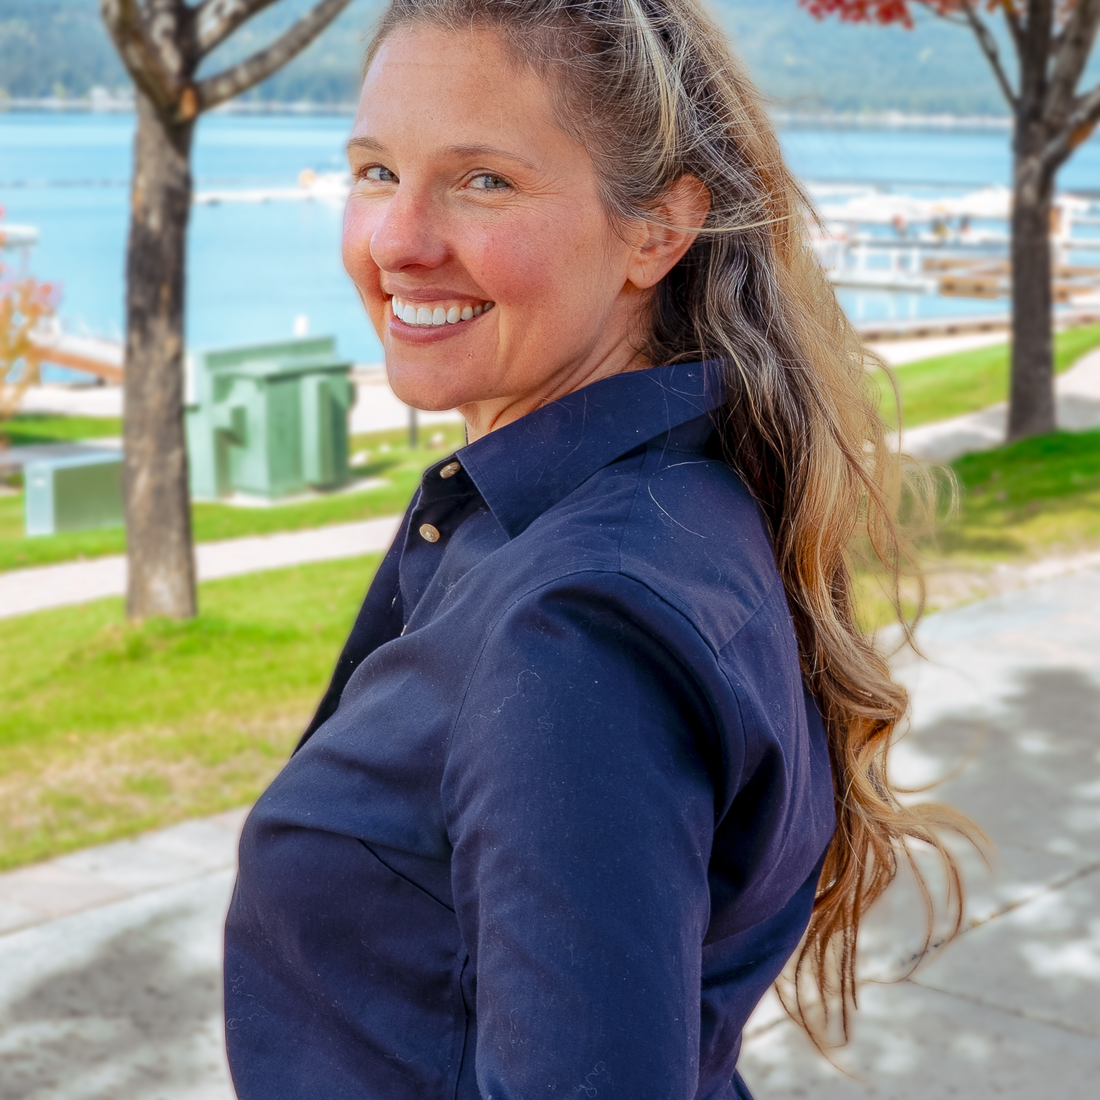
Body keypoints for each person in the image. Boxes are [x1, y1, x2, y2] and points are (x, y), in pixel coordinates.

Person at [223, 2, 968, 1098]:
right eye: (375, 171)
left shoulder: (573, 632)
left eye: (484, 180)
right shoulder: (670, 494)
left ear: (656, 230)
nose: (395, 240)